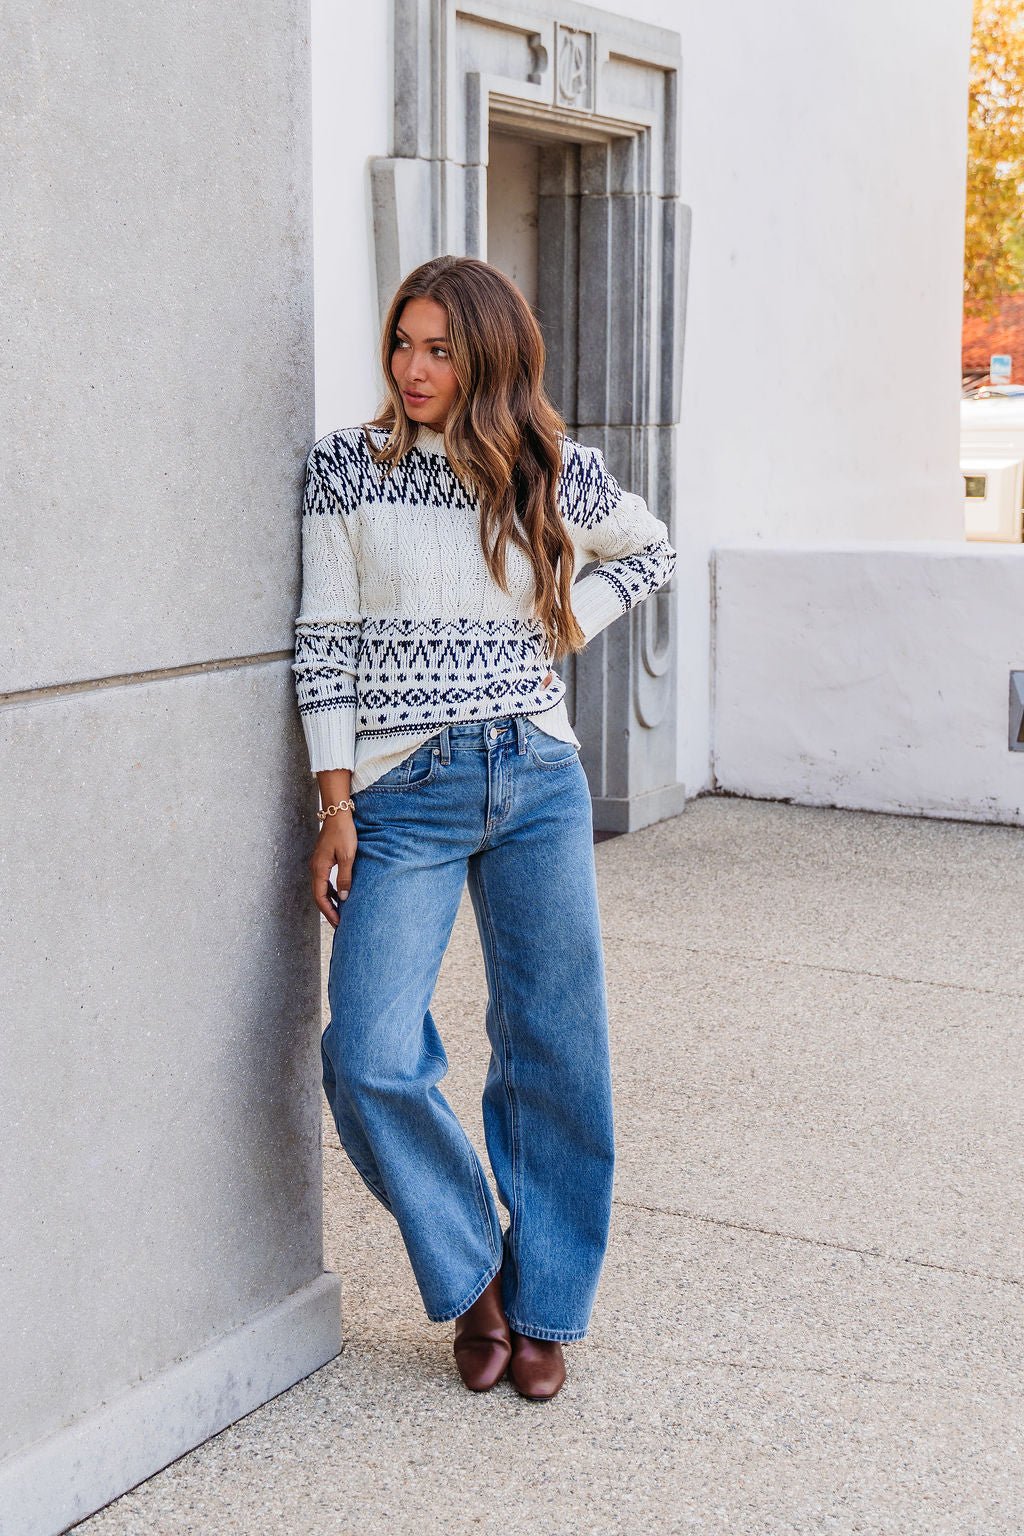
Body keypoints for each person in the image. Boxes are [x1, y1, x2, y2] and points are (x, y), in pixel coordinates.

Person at [292, 254, 676, 1401]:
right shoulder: (347, 468)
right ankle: (474, 1281)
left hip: (536, 775)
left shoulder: (552, 469)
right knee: (368, 1053)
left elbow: (650, 548)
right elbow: (324, 642)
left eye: (440, 350)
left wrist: (567, 622)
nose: (412, 368)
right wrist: (333, 804)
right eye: (402, 344)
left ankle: (547, 1302)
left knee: (556, 1047)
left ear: (490, 357)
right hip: (401, 791)